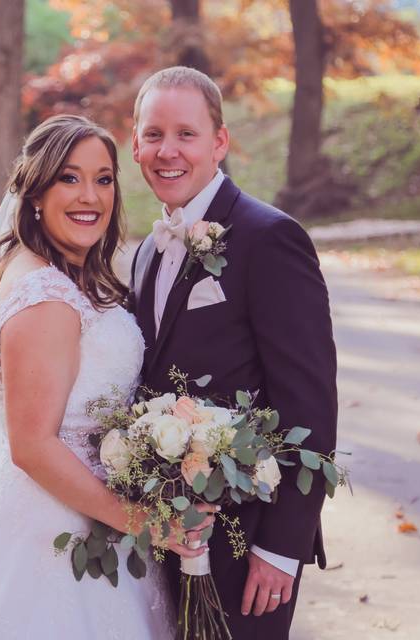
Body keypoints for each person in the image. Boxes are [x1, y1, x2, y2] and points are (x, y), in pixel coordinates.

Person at [0, 114, 212, 640]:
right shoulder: (46, 298)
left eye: (103, 178)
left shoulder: (46, 273)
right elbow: (33, 445)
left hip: (87, 519)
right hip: (61, 535)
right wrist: (143, 522)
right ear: (35, 191)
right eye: (69, 177)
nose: (91, 196)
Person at [128, 67, 338, 637]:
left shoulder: (270, 238)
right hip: (167, 529)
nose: (166, 151)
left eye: (185, 134)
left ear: (219, 142)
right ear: (135, 143)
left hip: (249, 539)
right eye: (153, 134)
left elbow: (309, 403)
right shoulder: (147, 251)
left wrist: (281, 547)